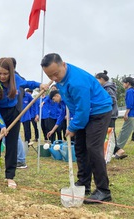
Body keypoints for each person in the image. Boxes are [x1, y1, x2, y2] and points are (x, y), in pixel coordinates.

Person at [41, 53, 112, 203]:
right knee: (80, 148)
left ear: (64, 65)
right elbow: (77, 106)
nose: (54, 78)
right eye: (50, 76)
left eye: (56, 74)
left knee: (93, 148)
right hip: (83, 113)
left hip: (98, 111)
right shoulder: (59, 76)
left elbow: (83, 110)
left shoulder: (76, 82)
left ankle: (103, 190)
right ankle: (83, 184)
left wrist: (73, 126)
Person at [0, 58, 48, 189]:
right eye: (0, 74)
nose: (2, 76)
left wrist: (40, 85)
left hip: (13, 113)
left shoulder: (16, 79)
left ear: (11, 72)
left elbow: (28, 83)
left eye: (5, 74)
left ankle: (10, 177)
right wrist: (2, 126)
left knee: (12, 144)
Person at [95, 71, 126, 159]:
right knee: (109, 133)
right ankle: (114, 151)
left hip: (110, 114)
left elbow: (113, 100)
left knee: (110, 133)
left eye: (97, 79)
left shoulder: (108, 88)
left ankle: (118, 150)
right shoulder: (106, 87)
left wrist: (102, 103)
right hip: (109, 113)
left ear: (101, 79)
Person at [115, 77, 134, 156]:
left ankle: (117, 148)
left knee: (124, 132)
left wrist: (126, 113)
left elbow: (130, 103)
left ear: (128, 83)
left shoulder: (129, 91)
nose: (123, 84)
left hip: (131, 114)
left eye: (123, 83)